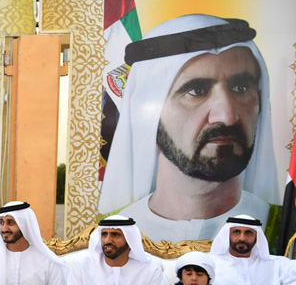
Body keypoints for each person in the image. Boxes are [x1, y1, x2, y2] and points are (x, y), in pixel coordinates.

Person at [99, 15, 278, 242]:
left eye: (241, 88)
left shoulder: (284, 229)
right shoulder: (113, 233)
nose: (227, 117)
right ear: (149, 114)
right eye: (196, 91)